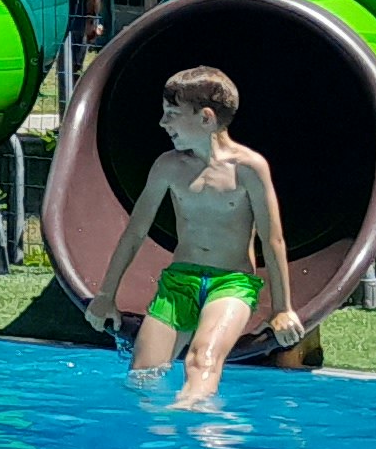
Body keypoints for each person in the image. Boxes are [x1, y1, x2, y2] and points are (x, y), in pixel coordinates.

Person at [97, 63, 305, 408]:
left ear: (206, 118)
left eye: (172, 113)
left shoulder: (249, 168)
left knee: (201, 360)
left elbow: (273, 240)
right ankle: (160, 447)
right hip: (181, 281)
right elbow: (135, 232)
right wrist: (106, 294)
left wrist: (282, 308)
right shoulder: (168, 166)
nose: (163, 123)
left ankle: (207, 440)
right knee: (142, 377)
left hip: (232, 283)